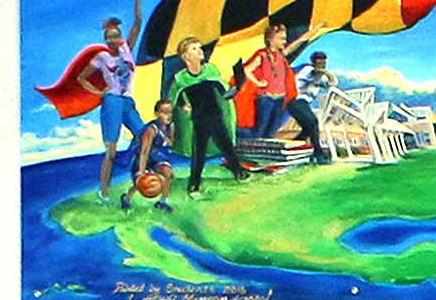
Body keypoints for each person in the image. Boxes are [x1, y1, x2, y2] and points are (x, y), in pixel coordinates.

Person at [76, 0, 145, 200]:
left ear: (120, 37)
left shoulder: (126, 50)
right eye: (109, 37)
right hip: (112, 102)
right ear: (105, 40)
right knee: (111, 151)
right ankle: (104, 191)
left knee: (145, 137)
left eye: (116, 35)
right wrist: (99, 93)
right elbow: (81, 77)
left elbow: (138, 22)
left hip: (128, 101)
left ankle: (141, 178)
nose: (113, 39)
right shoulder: (101, 58)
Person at [168, 37, 249, 197]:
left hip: (216, 115)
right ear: (185, 57)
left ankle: (238, 172)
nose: (199, 51)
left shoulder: (211, 70)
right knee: (199, 152)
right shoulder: (180, 78)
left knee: (226, 145)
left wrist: (237, 86)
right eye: (194, 49)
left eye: (199, 47)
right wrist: (183, 106)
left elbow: (224, 92)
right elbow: (173, 98)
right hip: (199, 119)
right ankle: (194, 184)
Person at [237, 22, 329, 163]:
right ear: (271, 39)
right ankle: (237, 138)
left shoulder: (281, 55)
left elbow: (300, 41)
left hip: (279, 100)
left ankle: (265, 159)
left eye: (285, 39)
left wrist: (318, 27)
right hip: (266, 99)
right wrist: (258, 82)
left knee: (271, 132)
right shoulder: (262, 55)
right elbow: (247, 70)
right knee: (260, 132)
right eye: (281, 39)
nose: (285, 42)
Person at [119, 98, 177, 213]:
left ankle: (162, 202)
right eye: (165, 112)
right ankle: (126, 198)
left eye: (170, 112)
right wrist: (141, 172)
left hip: (156, 156)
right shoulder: (151, 130)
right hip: (142, 157)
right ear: (157, 114)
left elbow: (170, 142)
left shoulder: (171, 126)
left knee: (169, 174)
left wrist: (168, 140)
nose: (168, 116)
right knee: (142, 183)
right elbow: (144, 152)